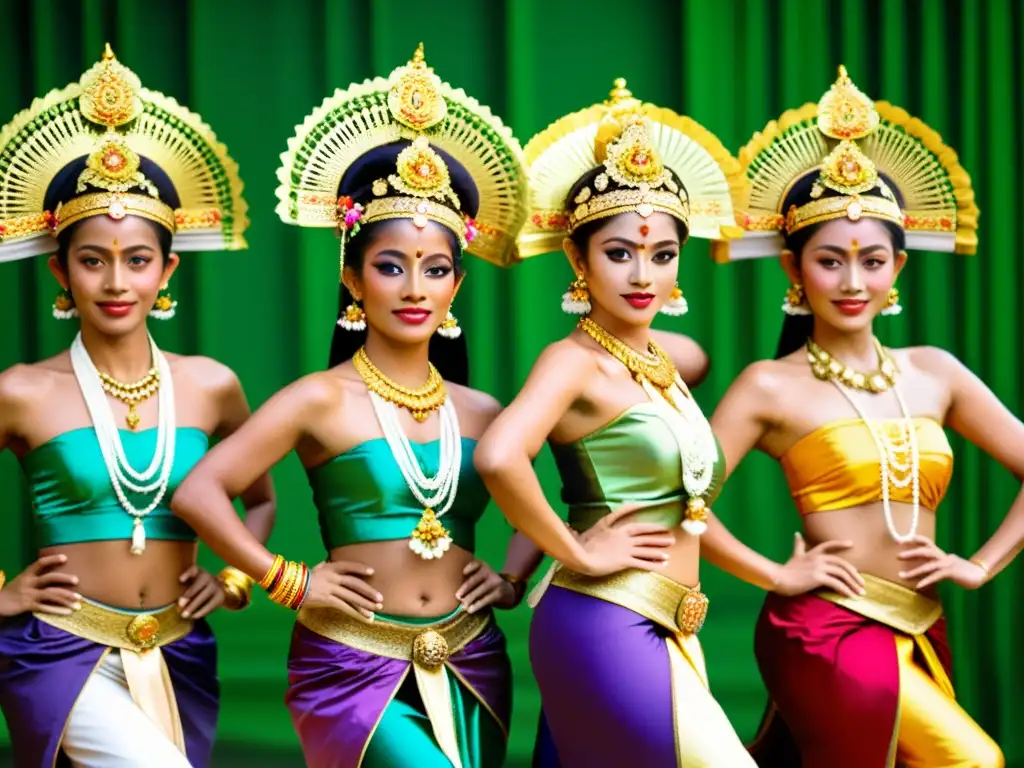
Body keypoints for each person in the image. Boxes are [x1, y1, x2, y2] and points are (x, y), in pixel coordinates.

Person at [171, 45, 536, 768]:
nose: (413, 289)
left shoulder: (485, 410)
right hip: (351, 663)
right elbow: (199, 493)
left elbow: (559, 495)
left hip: (470, 657)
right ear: (352, 277)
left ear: (455, 287)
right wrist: (289, 579)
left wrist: (514, 577)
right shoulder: (318, 397)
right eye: (390, 267)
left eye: (434, 270)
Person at [475, 78, 819, 767]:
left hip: (667, 623)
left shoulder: (666, 360)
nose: (643, 275)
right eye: (619, 253)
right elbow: (499, 457)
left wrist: (776, 576)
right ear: (577, 260)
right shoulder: (572, 363)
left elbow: (682, 509)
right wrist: (579, 552)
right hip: (605, 618)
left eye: (663, 255)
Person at [706, 66, 1007, 766]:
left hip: (919, 623)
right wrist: (772, 575)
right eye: (830, 261)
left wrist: (979, 565)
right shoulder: (768, 386)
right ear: (793, 268)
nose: (851, 282)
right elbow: (684, 501)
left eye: (871, 261)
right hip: (824, 626)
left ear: (897, 268)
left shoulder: (935, 372)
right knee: (974, 760)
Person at [0, 45, 274, 767]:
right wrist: (3, 591)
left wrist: (236, 578)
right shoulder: (22, 390)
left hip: (180, 647)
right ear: (61, 269)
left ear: (168, 269)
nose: (116, 280)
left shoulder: (212, 384)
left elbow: (262, 501)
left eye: (137, 259)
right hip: (62, 647)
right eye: (92, 259)